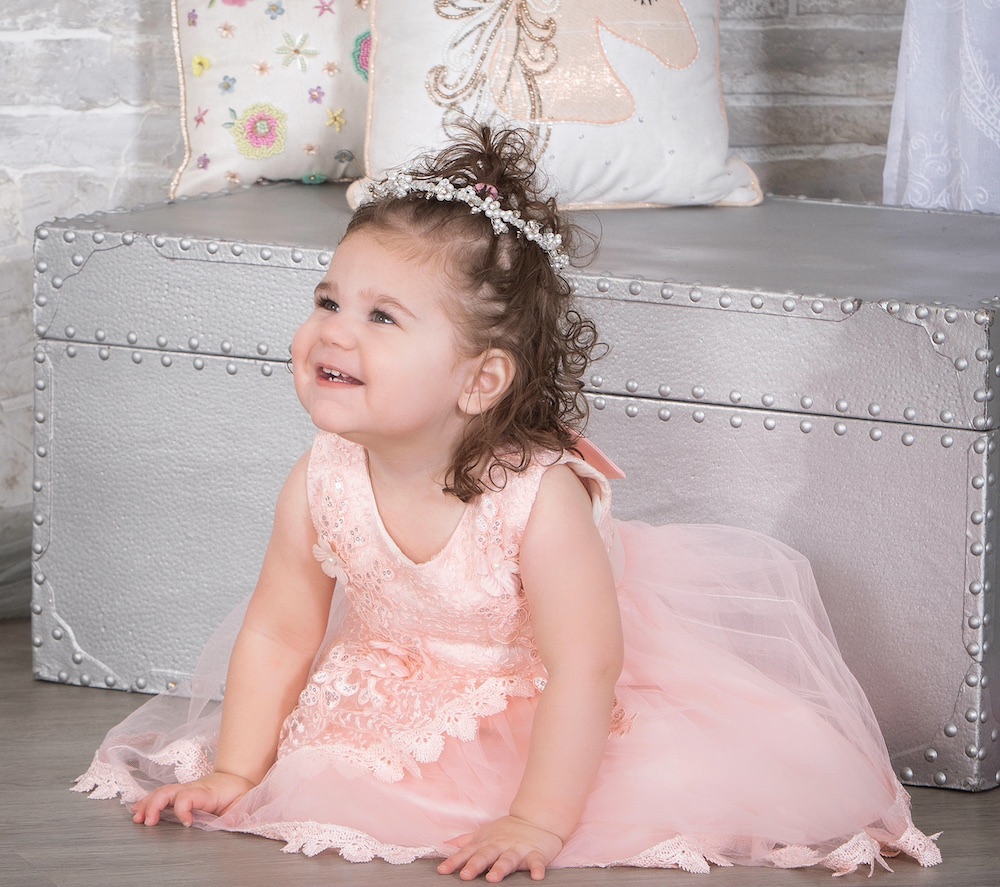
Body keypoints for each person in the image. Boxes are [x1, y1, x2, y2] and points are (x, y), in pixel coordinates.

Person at [76, 123, 941, 881]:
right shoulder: (322, 476)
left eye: (383, 317)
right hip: (393, 689)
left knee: (665, 770)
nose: (333, 330)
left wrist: (538, 819)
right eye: (329, 300)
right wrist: (235, 768)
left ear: (480, 378)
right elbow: (279, 629)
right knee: (331, 772)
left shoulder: (537, 499)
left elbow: (583, 668)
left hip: (549, 702)